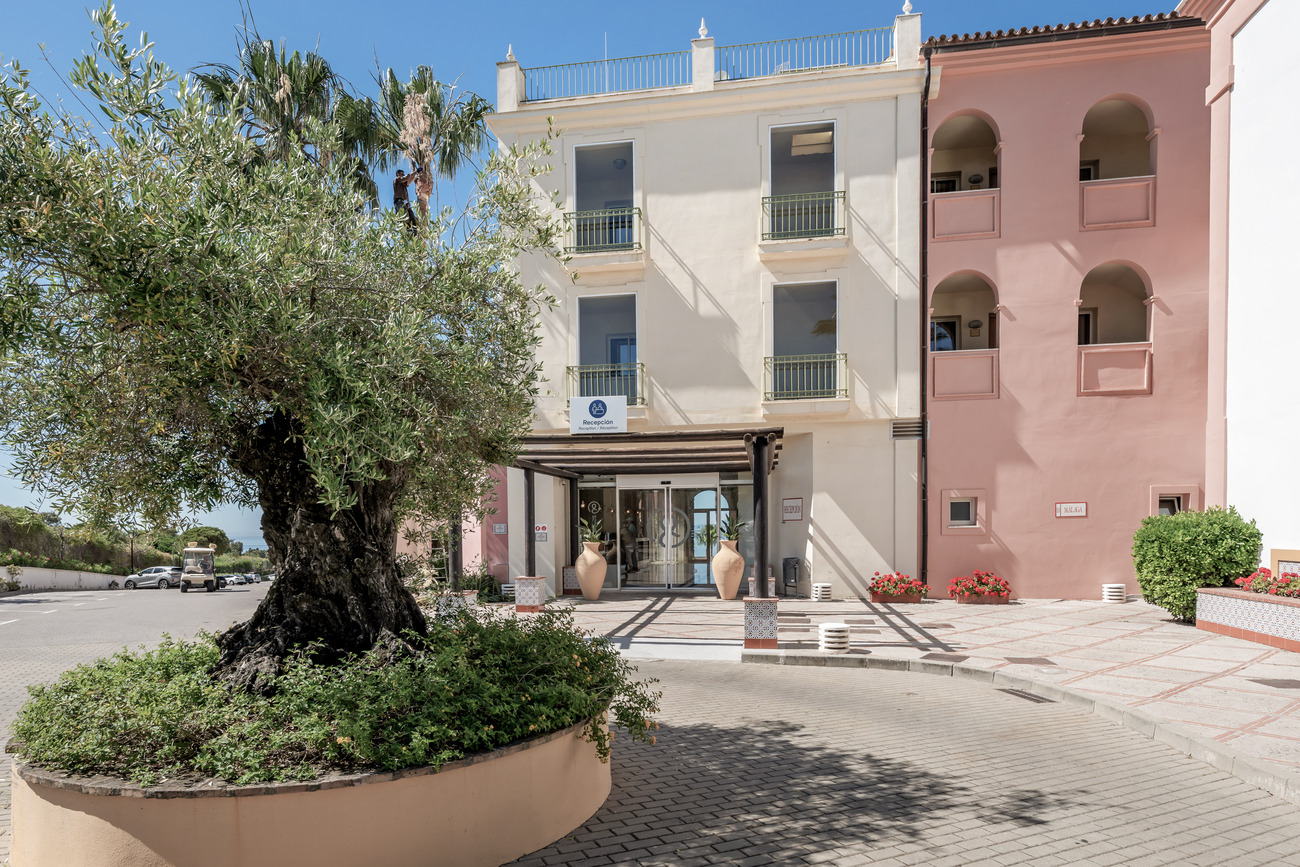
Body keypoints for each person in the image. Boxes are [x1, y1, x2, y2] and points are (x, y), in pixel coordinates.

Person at [393, 169, 418, 233]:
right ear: (397, 174)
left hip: (406, 203)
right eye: (402, 174)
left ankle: (415, 233)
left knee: (413, 219)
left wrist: (415, 174)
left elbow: (408, 181)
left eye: (403, 174)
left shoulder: (403, 184)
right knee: (406, 220)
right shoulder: (397, 179)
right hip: (399, 202)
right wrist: (415, 172)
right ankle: (409, 234)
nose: (403, 175)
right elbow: (406, 178)